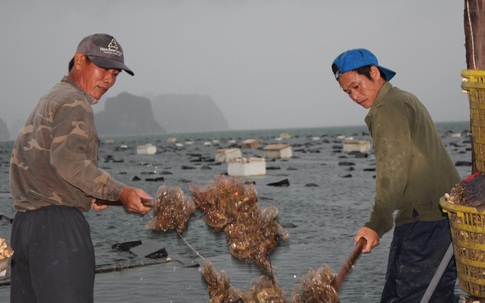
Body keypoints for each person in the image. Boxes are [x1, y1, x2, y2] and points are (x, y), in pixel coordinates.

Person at [9, 33, 153, 303]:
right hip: (57, 233)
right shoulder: (75, 102)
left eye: (115, 73)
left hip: (24, 230)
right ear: (79, 61)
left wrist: (91, 194)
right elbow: (70, 163)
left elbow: (35, 164)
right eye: (102, 69)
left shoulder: (50, 98)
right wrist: (120, 192)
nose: (109, 80)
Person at [331, 48, 460, 302]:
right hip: (444, 217)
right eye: (348, 92)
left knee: (407, 297)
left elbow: (393, 169)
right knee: (435, 296)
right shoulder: (403, 99)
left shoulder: (388, 108)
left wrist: (376, 224)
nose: (355, 96)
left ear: (375, 73)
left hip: (425, 221)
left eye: (357, 86)